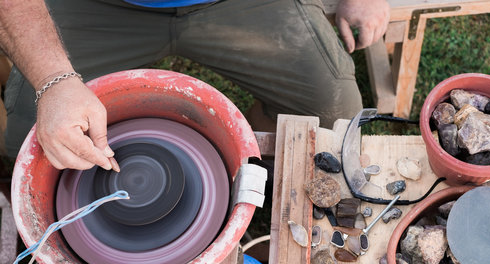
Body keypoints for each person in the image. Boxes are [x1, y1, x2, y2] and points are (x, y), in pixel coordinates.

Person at [0, 0, 389, 171]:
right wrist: (55, 81)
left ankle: (244, 165)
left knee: (330, 115)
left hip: (240, 5)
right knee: (28, 140)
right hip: (100, 5)